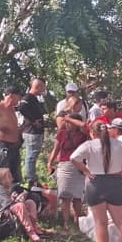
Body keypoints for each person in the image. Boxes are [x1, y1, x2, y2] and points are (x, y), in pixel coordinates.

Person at [49, 88, 89, 231]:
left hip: (78, 167)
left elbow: (84, 126)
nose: (68, 124)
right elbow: (56, 149)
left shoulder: (84, 134)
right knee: (65, 196)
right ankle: (66, 222)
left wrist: (70, 117)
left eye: (70, 122)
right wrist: (50, 162)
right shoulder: (62, 133)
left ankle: (76, 219)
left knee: (77, 196)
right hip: (64, 164)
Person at [0, 167, 44, 242]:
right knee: (20, 206)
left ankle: (34, 226)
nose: (12, 179)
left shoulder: (2, 187)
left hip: (4, 212)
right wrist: (20, 198)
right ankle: (30, 231)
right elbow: (8, 205)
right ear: (2, 179)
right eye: (9, 177)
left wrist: (16, 197)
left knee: (30, 202)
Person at [19, 78, 48, 186]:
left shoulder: (35, 99)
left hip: (37, 132)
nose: (43, 91)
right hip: (31, 132)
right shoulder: (28, 97)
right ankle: (31, 179)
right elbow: (22, 107)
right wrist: (33, 121)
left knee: (33, 155)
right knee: (31, 155)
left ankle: (32, 177)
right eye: (42, 88)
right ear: (38, 86)